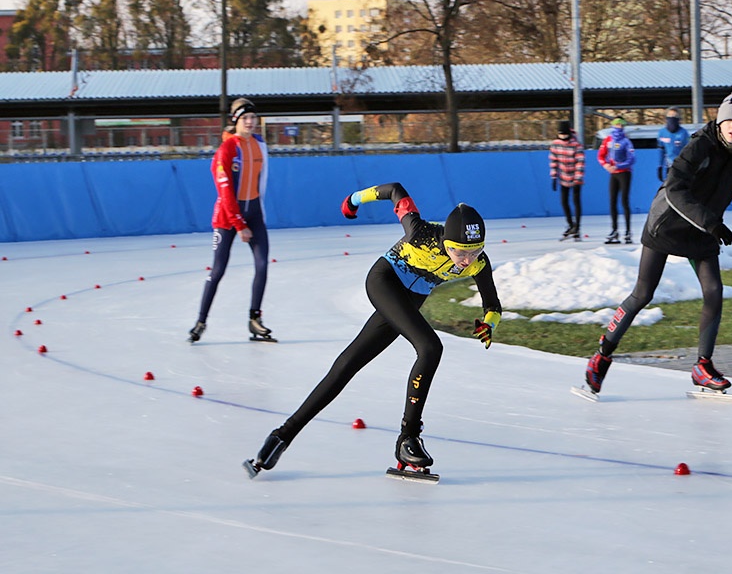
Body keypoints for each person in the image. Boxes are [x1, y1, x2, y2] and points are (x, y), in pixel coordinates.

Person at [244, 182, 502, 477]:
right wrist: (353, 200)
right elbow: (395, 190)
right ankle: (409, 437)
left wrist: (489, 324)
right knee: (430, 347)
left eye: (475, 251)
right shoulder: (421, 231)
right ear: (446, 241)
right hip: (385, 282)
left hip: (411, 299)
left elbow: (492, 304)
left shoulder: (477, 264)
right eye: (460, 251)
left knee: (348, 364)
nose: (466, 260)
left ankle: (280, 437)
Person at [584, 83, 732, 396]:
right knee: (643, 294)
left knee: (714, 291)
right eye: (730, 119)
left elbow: (721, 195)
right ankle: (601, 357)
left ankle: (702, 366)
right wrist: (711, 222)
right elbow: (675, 189)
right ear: (720, 120)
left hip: (703, 227)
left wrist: (711, 224)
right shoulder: (699, 145)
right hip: (667, 222)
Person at [188, 98, 275, 343]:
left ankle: (254, 319)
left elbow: (262, 181)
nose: (250, 122)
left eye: (253, 118)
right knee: (218, 270)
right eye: (245, 118)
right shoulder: (226, 150)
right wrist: (239, 225)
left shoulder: (260, 145)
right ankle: (201, 321)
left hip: (255, 213)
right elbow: (224, 192)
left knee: (262, 265)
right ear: (235, 121)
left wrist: (257, 215)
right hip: (227, 218)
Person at [597, 117, 636, 244]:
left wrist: (618, 166)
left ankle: (628, 231)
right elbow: (600, 155)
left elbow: (631, 159)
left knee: (624, 201)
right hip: (613, 174)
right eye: (617, 124)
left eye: (621, 124)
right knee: (612, 201)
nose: (619, 126)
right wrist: (606, 165)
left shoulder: (626, 141)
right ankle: (614, 230)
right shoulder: (608, 139)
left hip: (624, 173)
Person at [549, 120, 586, 240]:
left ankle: (577, 228)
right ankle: (571, 225)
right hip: (563, 177)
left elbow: (580, 162)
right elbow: (553, 161)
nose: (563, 137)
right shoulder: (555, 144)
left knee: (576, 202)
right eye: (561, 135)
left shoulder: (576, 145)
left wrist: (578, 178)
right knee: (564, 202)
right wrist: (554, 177)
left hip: (576, 178)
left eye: (565, 135)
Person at [657, 107, 690, 182]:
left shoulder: (684, 133)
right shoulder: (662, 133)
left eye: (674, 116)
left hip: (681, 166)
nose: (672, 119)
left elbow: (688, 151)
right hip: (669, 166)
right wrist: (660, 166)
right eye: (670, 116)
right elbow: (661, 150)